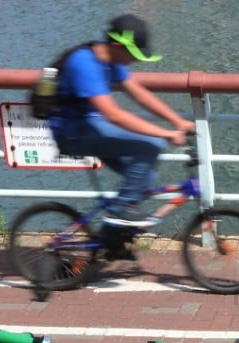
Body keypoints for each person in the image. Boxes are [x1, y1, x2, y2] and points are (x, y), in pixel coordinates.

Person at [47, 13, 195, 259]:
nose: (133, 62)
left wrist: (177, 120)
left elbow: (139, 94)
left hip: (91, 125)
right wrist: (167, 134)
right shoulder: (84, 63)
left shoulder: (111, 60)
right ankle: (120, 210)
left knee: (144, 176)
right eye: (132, 55)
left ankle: (110, 238)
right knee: (151, 146)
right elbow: (114, 115)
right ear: (117, 46)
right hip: (71, 132)